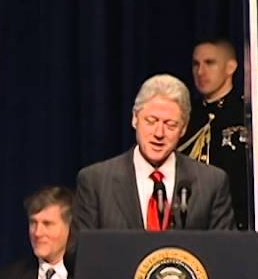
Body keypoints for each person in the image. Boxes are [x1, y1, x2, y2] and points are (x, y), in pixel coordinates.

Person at [72, 73, 236, 233]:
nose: (159, 133)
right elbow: (79, 249)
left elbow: (225, 248)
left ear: (183, 128)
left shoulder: (211, 183)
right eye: (151, 121)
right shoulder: (96, 182)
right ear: (135, 118)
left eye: (170, 125)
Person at [177, 37, 251, 230]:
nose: (200, 72)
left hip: (235, 224)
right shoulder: (184, 116)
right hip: (187, 225)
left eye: (209, 63)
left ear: (231, 67)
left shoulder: (248, 116)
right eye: (196, 64)